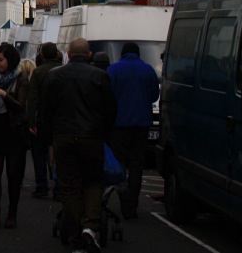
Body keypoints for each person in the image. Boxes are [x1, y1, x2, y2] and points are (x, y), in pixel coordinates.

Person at [37, 38, 116, 253]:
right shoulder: (100, 77)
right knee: (93, 182)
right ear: (89, 55)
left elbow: (45, 112)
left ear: (69, 55)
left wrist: (46, 141)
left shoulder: (55, 76)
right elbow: (110, 110)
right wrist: (106, 136)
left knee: (69, 187)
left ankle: (75, 236)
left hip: (63, 137)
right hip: (91, 137)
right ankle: (90, 225)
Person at [0, 43, 30, 230]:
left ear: (11, 60)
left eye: (1, 60)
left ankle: (12, 213)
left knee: (13, 174)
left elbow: (19, 106)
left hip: (14, 129)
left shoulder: (21, 78)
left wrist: (3, 94)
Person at [107, 41, 159, 220]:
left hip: (119, 124)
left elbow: (107, 95)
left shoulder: (113, 70)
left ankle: (123, 197)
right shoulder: (148, 70)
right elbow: (154, 95)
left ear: (122, 53)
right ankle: (133, 202)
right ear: (138, 54)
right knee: (137, 164)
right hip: (141, 124)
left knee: (119, 162)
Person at [27, 42, 62, 199]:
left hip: (42, 118)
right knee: (59, 154)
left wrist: (31, 121)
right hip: (60, 119)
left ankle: (41, 186)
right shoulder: (63, 71)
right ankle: (59, 187)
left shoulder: (38, 72)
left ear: (42, 55)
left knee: (39, 154)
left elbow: (33, 98)